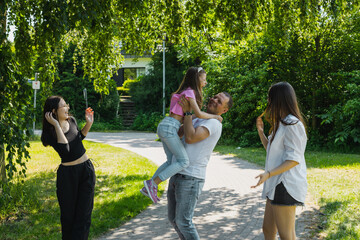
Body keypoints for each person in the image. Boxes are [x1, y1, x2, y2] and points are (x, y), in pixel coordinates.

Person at [141, 67, 223, 203]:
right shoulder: (190, 92)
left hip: (167, 125)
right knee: (184, 161)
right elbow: (199, 114)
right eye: (204, 79)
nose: (206, 83)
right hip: (170, 127)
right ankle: (153, 183)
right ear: (197, 80)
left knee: (171, 161)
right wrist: (216, 117)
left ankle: (149, 186)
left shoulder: (183, 92)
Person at [168, 91, 233, 239]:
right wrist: (186, 113)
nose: (214, 100)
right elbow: (179, 134)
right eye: (215, 97)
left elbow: (190, 138)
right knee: (174, 219)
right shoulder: (198, 118)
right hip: (177, 171)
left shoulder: (214, 123)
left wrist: (190, 111)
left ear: (224, 110)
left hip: (191, 177)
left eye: (219, 101)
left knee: (183, 222)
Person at [251, 82, 307, 240]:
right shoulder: (281, 123)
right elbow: (272, 151)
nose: (268, 102)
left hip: (285, 184)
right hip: (276, 184)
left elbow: (294, 159)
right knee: (268, 230)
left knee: (286, 236)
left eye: (270, 98)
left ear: (278, 99)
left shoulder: (292, 124)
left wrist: (268, 174)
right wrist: (261, 132)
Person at [41, 96, 95, 240]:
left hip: (86, 171)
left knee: (84, 216)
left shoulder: (72, 121)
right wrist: (57, 126)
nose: (67, 108)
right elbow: (65, 150)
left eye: (67, 105)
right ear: (54, 111)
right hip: (68, 177)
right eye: (64, 106)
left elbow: (78, 138)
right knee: (68, 218)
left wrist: (88, 123)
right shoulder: (50, 133)